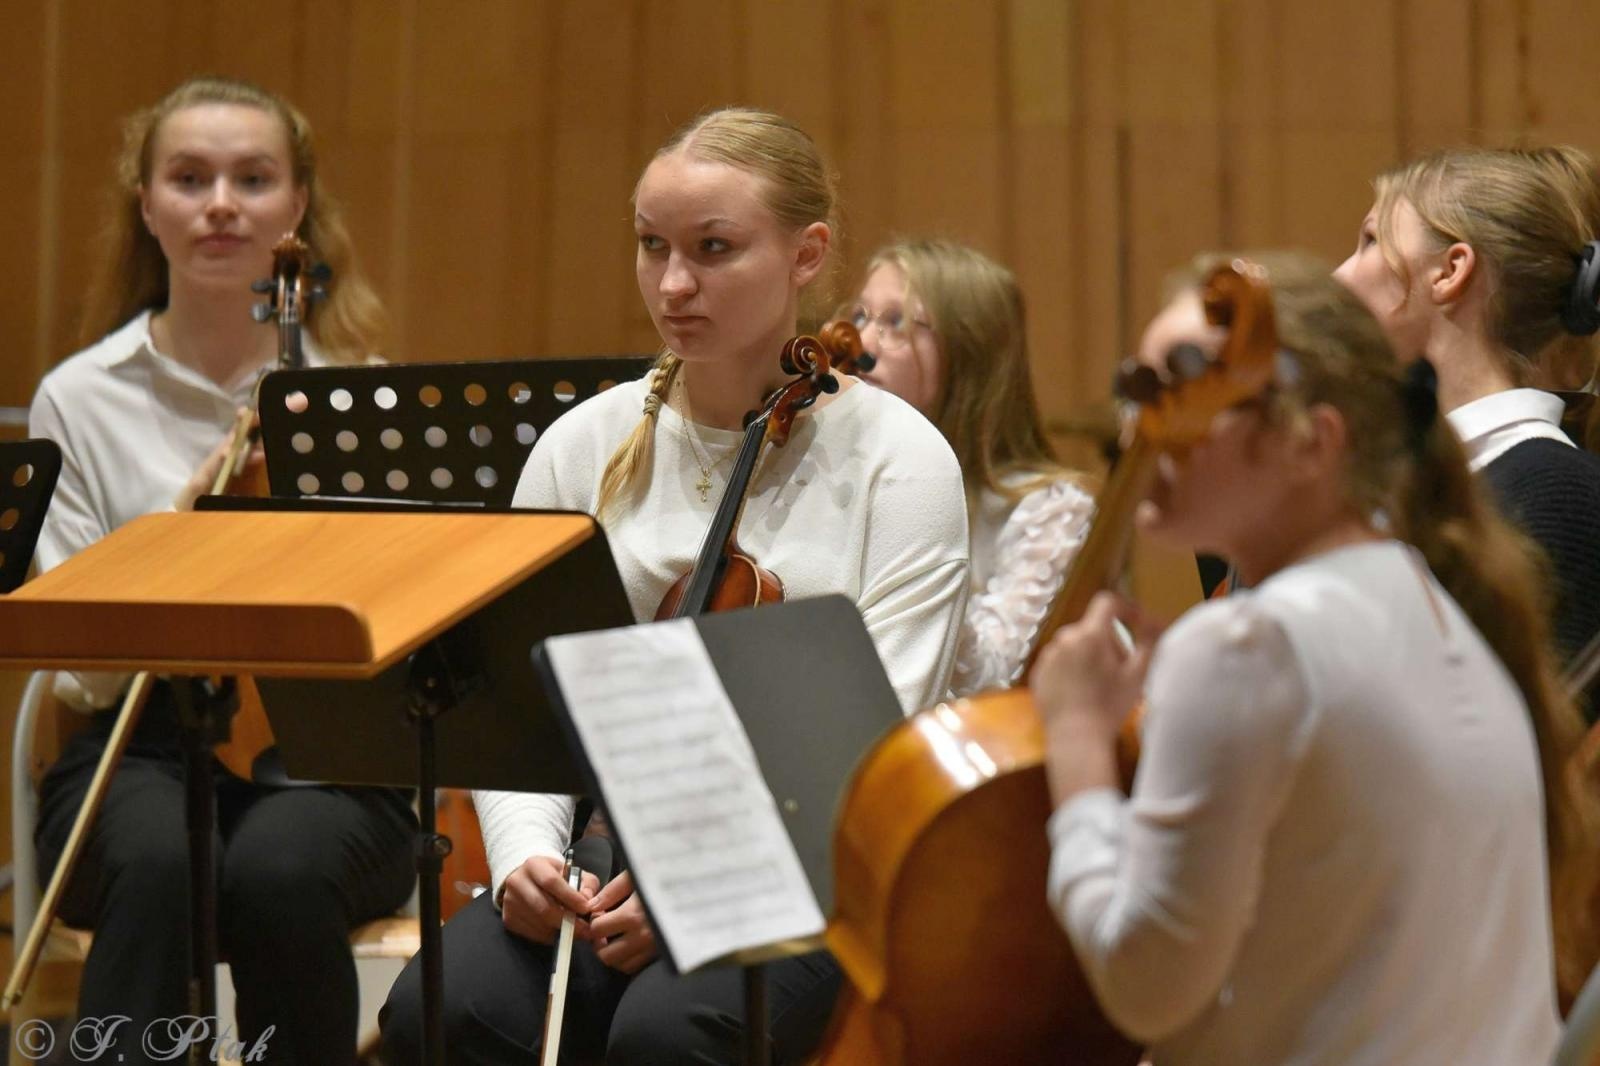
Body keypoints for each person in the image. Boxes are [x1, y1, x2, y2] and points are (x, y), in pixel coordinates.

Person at [379, 108, 969, 1065]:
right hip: (602, 856)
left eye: (714, 248)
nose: (673, 283)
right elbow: (515, 698)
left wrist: (708, 880)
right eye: (652, 247)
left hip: (810, 870)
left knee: (672, 1033)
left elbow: (880, 735)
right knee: (443, 1012)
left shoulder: (901, 461)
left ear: (806, 254)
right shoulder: (583, 445)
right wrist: (529, 857)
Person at [1032, 254, 1596, 1063]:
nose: (1145, 428)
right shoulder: (1438, 604)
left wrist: (1078, 748)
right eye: (1141, 388)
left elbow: (1146, 980)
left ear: (1314, 443)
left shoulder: (1245, 647)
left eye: (1188, 386)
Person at [27, 76, 414, 1065]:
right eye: (189, 179)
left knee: (279, 867)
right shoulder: (79, 397)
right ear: (148, 207)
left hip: (322, 751)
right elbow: (77, 670)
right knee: (159, 859)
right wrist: (181, 533)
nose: (222, 204)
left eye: (253, 178)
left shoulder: (357, 398)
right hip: (135, 745)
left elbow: (396, 629)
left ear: (296, 209)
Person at [1332, 146, 1600, 716]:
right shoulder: (1419, 480)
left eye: (1372, 240)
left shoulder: (1554, 490)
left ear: (1450, 271)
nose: (1338, 275)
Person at [847, 238, 1094, 695]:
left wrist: (920, 552)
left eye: (897, 323)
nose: (861, 344)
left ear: (968, 352)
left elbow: (994, 676)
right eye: (860, 316)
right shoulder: (844, 478)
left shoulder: (1049, 508)